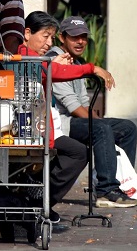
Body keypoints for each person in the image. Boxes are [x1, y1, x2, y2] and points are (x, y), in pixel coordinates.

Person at [49, 16, 137, 208]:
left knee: (127, 128)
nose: (80, 41)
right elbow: (73, 106)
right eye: (74, 37)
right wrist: (101, 125)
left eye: (83, 37)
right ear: (61, 38)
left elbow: (83, 102)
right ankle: (106, 191)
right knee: (100, 128)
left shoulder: (76, 61)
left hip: (72, 121)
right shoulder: (54, 58)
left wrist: (102, 124)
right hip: (59, 123)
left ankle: (122, 182)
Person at [18, 11, 91, 222]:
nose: (48, 43)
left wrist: (55, 65)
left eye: (51, 37)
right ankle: (40, 201)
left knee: (79, 150)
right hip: (30, 127)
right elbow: (55, 74)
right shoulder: (23, 54)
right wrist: (92, 69)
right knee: (77, 152)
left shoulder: (40, 58)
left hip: (44, 125)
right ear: (27, 32)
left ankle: (41, 200)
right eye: (45, 36)